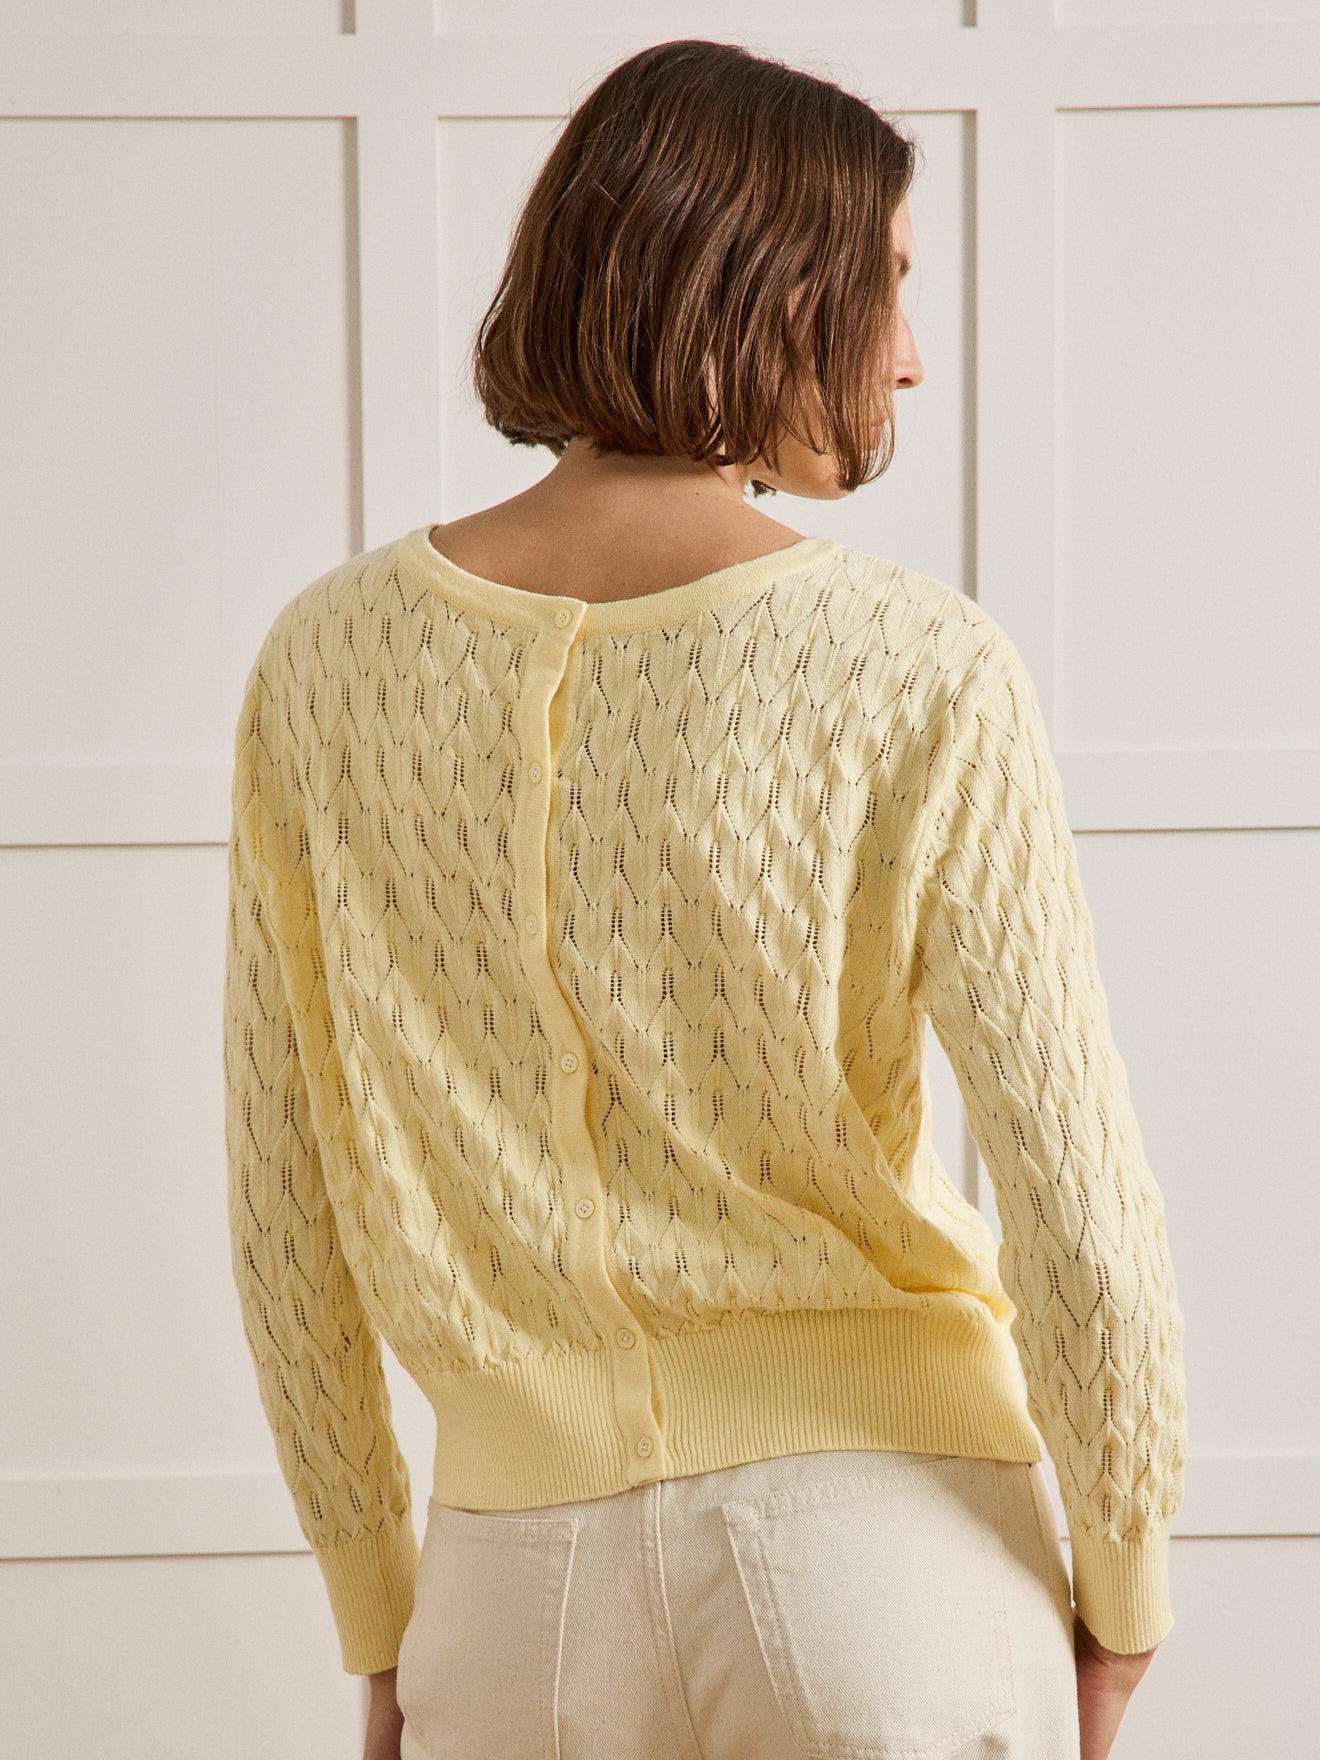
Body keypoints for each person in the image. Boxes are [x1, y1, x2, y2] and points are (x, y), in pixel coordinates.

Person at [222, 37, 1188, 1760]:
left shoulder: (323, 662)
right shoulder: (917, 663)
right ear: (767, 287)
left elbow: (284, 1199)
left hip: (515, 1599)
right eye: (887, 287)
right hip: (886, 1563)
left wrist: (385, 1617)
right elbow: (1077, 1203)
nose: (910, 352)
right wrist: (1126, 1581)